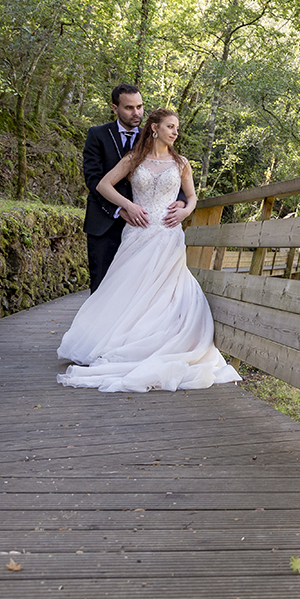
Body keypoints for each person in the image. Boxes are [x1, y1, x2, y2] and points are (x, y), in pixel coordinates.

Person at [57, 108, 240, 392]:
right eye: (170, 126)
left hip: (168, 234)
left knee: (165, 289)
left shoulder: (181, 163)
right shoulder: (134, 158)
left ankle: (161, 338)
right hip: (138, 232)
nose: (175, 132)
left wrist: (185, 211)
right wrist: (127, 205)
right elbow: (103, 184)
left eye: (177, 127)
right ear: (154, 128)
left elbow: (192, 197)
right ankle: (124, 340)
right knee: (130, 287)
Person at [82, 84, 184, 293]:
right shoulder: (97, 134)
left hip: (145, 225)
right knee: (102, 285)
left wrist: (182, 201)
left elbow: (173, 170)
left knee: (139, 288)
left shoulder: (155, 135)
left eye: (139, 106)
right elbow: (93, 180)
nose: (136, 113)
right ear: (115, 108)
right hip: (105, 220)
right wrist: (121, 208)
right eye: (129, 108)